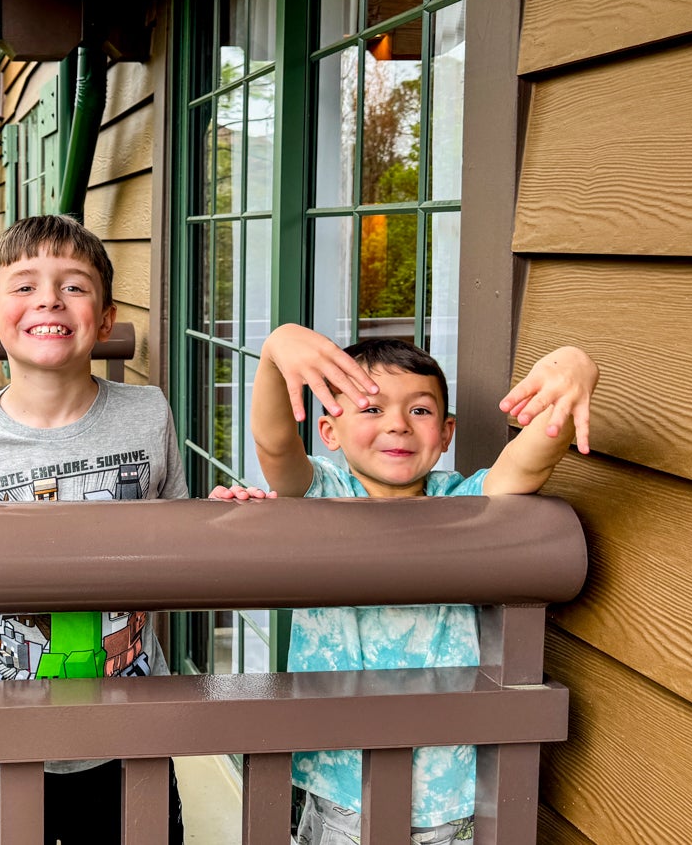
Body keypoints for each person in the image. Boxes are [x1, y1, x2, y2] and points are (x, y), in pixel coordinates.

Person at [210, 323, 600, 845]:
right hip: (342, 785)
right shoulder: (322, 493)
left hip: (452, 785)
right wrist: (277, 352)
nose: (397, 425)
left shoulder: (467, 505)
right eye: (371, 409)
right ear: (330, 431)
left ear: (446, 433)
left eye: (419, 410)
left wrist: (575, 365)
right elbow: (274, 444)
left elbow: (526, 464)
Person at [0, 214, 187, 845]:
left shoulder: (148, 412)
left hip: (128, 721)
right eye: (24, 286)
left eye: (74, 286)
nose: (50, 299)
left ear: (105, 319)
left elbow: (182, 538)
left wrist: (230, 509)